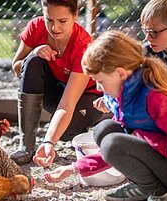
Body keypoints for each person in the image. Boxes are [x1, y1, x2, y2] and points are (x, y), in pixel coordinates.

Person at [42, 30, 167, 201]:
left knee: (113, 142)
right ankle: (146, 186)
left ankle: (162, 194)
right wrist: (74, 168)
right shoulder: (124, 96)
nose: (98, 88)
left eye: (100, 81)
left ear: (120, 73)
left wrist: (141, 138)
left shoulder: (156, 96)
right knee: (104, 130)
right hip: (165, 164)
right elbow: (117, 147)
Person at [10, 0, 104, 165]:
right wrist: (34, 52)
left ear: (75, 15)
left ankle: (103, 117)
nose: (55, 28)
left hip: (87, 96)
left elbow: (67, 104)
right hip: (58, 90)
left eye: (62, 21)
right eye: (49, 20)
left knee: (64, 132)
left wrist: (48, 142)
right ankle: (26, 146)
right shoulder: (35, 27)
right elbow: (18, 67)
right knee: (32, 61)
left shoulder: (83, 44)